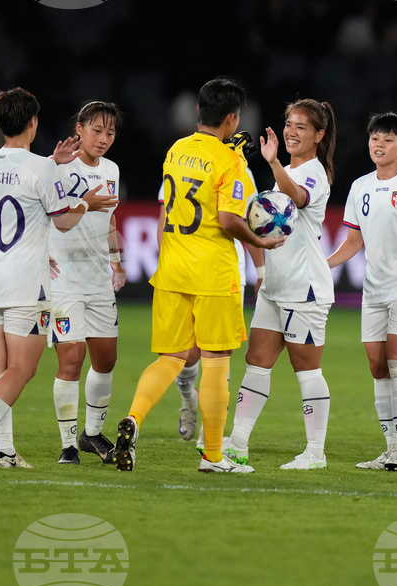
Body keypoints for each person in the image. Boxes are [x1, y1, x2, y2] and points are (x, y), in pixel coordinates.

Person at [111, 77, 284, 474]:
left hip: (173, 269)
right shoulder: (231, 162)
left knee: (170, 358)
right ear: (233, 118)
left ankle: (133, 418)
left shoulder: (177, 150)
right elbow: (228, 219)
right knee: (216, 361)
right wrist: (260, 240)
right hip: (213, 273)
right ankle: (213, 456)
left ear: (197, 111)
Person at [0, 87, 114, 468]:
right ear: (33, 121)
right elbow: (63, 221)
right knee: (23, 368)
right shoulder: (41, 168)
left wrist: (52, 163)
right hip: (26, 280)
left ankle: (6, 451)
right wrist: (87, 202)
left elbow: (21, 192)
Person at [223, 99, 337, 470]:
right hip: (276, 285)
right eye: (289, 123)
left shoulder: (313, 172)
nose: (291, 131)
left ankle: (315, 453)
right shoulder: (287, 170)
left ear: (319, 135)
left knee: (307, 370)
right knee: (256, 361)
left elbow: (298, 199)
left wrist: (272, 163)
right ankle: (238, 443)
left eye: (301, 126)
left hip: (304, 288)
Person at [329, 112, 397, 472]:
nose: (379, 144)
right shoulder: (360, 186)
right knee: (378, 367)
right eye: (375, 138)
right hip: (374, 288)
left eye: (388, 139)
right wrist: (322, 265)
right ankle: (391, 448)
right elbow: (353, 241)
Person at [49, 101, 126, 465]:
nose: (103, 139)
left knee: (106, 359)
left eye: (110, 133)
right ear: (78, 128)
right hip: (63, 278)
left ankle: (91, 434)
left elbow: (110, 219)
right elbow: (59, 221)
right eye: (97, 130)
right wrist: (85, 203)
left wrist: (117, 262)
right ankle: (67, 445)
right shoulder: (59, 167)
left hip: (98, 280)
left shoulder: (111, 169)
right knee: (72, 359)